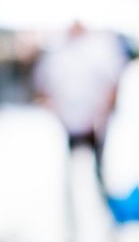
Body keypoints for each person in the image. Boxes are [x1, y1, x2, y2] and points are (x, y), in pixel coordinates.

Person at [33, 21, 128, 180]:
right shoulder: (57, 52)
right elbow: (42, 86)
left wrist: (102, 113)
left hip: (94, 122)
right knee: (69, 168)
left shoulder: (100, 50)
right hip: (67, 121)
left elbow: (114, 83)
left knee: (98, 169)